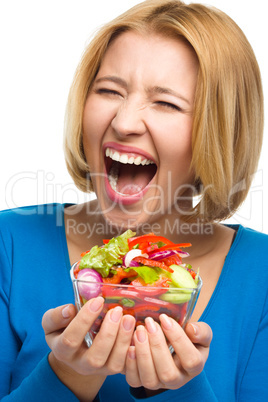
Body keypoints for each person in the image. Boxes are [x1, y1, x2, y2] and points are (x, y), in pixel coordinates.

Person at [0, 0, 267, 401]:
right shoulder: (10, 245)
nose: (123, 123)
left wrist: (179, 389)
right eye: (108, 90)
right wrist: (66, 377)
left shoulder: (260, 277)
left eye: (166, 103)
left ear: (219, 130)